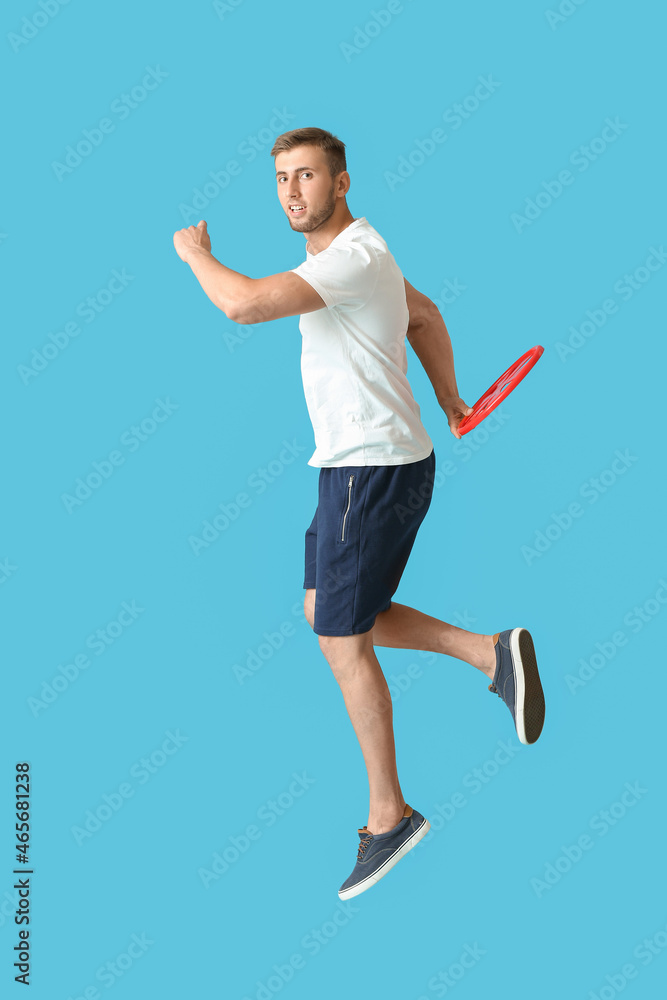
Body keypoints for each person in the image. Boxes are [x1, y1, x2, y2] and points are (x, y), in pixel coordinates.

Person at [173, 126, 545, 901]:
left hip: (366, 474)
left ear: (341, 183)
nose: (291, 192)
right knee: (328, 611)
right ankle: (490, 655)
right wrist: (449, 396)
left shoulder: (349, 259)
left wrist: (195, 256)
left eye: (306, 176)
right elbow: (426, 314)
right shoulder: (363, 254)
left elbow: (242, 306)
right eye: (280, 179)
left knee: (340, 641)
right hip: (362, 468)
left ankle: (389, 817)